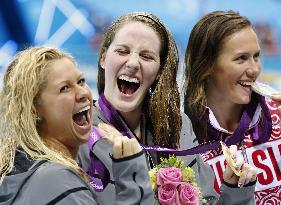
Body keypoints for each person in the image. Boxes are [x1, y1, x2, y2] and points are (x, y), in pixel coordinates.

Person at [79, 12, 257, 205]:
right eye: (122, 51)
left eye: (147, 56)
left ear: (158, 72)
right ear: (103, 58)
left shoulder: (179, 128)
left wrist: (236, 192)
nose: (132, 63)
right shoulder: (78, 135)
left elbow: (207, 201)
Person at [0, 46, 153, 205]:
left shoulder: (25, 171)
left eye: (81, 81)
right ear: (34, 110)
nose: (83, 93)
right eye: (64, 88)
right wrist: (132, 172)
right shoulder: (56, 181)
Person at [183, 10, 281, 204]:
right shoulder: (182, 138)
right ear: (206, 66)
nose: (254, 69)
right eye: (241, 58)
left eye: (256, 56)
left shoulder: (276, 114)